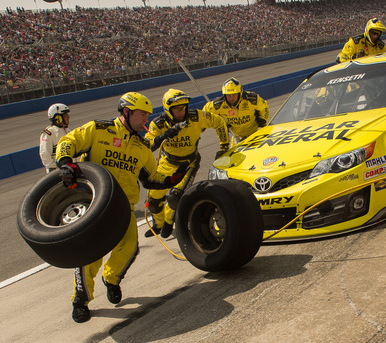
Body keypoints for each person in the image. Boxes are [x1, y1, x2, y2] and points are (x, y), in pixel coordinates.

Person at [55, 92, 187, 323]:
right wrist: (65, 162)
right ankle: (81, 300)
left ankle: (111, 279)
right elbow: (68, 142)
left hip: (123, 205)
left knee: (130, 247)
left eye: (147, 116)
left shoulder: (142, 146)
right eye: (142, 115)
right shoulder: (98, 129)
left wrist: (170, 180)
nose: (146, 120)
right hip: (94, 203)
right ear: (126, 112)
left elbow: (150, 178)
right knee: (90, 254)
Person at [144, 88, 230, 238]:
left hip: (188, 164)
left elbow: (219, 122)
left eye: (183, 108)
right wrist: (164, 135)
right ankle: (158, 225)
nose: (181, 112)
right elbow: (148, 145)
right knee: (152, 201)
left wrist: (223, 146)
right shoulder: (158, 124)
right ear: (168, 109)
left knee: (174, 198)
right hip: (167, 163)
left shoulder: (196, 117)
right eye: (176, 109)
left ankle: (168, 223)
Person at [203, 77, 269, 145]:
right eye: (228, 95)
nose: (231, 98)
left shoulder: (252, 99)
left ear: (240, 93)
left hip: (256, 134)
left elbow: (264, 107)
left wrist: (262, 121)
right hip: (237, 137)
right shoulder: (218, 105)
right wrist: (203, 126)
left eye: (234, 95)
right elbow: (203, 115)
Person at [40, 103, 70, 173]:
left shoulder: (68, 131)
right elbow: (45, 154)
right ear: (58, 118)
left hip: (68, 169)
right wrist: (55, 169)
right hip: (58, 172)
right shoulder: (49, 133)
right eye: (65, 115)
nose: (68, 117)